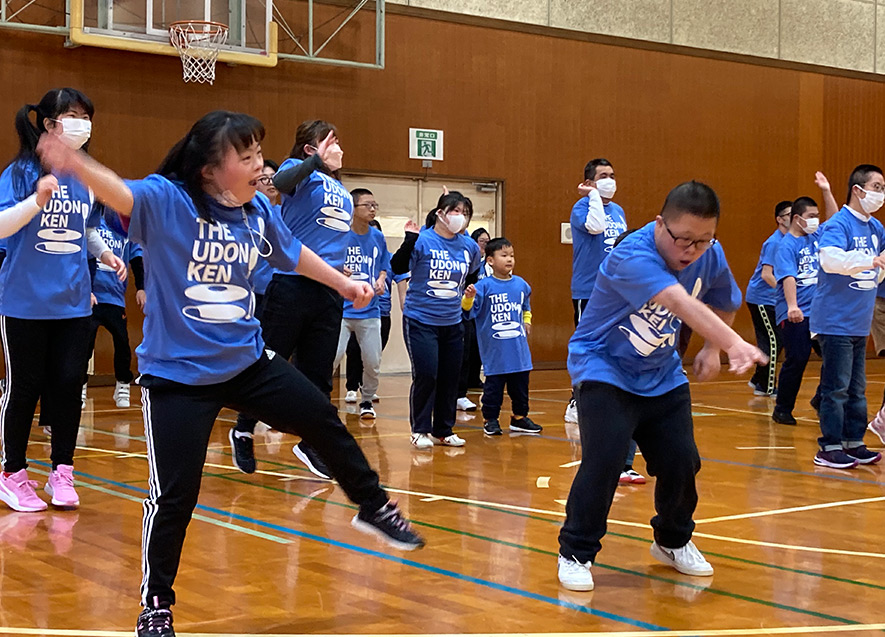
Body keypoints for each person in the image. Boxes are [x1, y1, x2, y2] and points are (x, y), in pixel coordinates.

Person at [36, 110, 425, 637]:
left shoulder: (257, 209)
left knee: (321, 416)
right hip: (177, 377)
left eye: (259, 154)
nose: (260, 166)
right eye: (246, 157)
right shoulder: (169, 200)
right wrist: (74, 162)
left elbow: (292, 253)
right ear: (209, 170)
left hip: (245, 361)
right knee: (174, 496)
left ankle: (372, 505)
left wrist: (342, 283)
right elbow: (122, 193)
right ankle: (156, 605)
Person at [557, 181, 764, 592]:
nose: (692, 250)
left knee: (682, 461)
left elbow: (726, 298)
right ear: (659, 225)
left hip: (661, 373)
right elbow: (680, 302)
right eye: (683, 239)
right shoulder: (631, 256)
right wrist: (733, 343)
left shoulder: (710, 253)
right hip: (604, 368)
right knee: (606, 459)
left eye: (703, 240)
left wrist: (711, 349)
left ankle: (672, 541)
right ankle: (575, 551)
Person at [0, 88, 126, 513]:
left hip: (73, 302)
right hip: (24, 302)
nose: (82, 124)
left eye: (86, 116)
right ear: (49, 123)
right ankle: (12, 473)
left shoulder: (85, 178)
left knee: (70, 386)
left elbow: (85, 229)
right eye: (73, 115)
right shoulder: (19, 173)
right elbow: (1, 227)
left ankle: (62, 470)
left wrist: (104, 254)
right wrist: (36, 201)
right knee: (24, 388)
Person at [232, 120, 349, 480]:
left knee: (319, 374)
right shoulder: (297, 171)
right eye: (330, 142)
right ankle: (243, 428)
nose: (338, 147)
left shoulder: (341, 189)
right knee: (268, 359)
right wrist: (315, 162)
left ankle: (311, 443)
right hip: (292, 285)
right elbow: (280, 183)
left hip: (329, 291)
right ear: (311, 149)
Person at [569, 165, 645, 484]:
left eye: (613, 175)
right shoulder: (581, 207)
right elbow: (596, 227)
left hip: (620, 290)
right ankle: (578, 400)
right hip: (590, 290)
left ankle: (624, 456)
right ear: (589, 182)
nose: (610, 180)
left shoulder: (620, 210)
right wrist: (592, 197)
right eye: (603, 176)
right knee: (592, 352)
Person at [390, 192, 481, 449]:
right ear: (440, 213)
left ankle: (444, 429)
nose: (460, 217)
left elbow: (472, 274)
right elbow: (397, 266)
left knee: (450, 377)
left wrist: (466, 292)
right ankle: (420, 429)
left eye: (465, 213)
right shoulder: (423, 240)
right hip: (421, 319)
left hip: (452, 321)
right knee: (427, 373)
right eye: (456, 211)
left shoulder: (469, 246)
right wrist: (409, 240)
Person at [810, 164, 885, 469]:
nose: (881, 194)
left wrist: (877, 267)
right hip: (834, 320)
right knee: (836, 387)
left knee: (857, 388)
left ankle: (854, 441)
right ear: (858, 190)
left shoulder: (877, 228)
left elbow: (880, 267)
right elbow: (831, 260)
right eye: (877, 187)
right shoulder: (838, 224)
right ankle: (829, 447)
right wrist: (870, 261)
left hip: (859, 321)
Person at [463, 237, 540, 435]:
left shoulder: (521, 284)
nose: (509, 259)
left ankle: (519, 418)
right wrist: (468, 298)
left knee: (520, 387)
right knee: (494, 388)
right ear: (490, 260)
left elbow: (526, 306)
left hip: (518, 350)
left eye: (512, 255)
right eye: (504, 255)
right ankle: (490, 419)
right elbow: (469, 312)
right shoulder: (483, 286)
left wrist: (527, 320)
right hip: (495, 350)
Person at [333, 188, 390, 420]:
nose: (372, 209)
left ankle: (366, 400)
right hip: (341, 310)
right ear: (353, 209)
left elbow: (384, 265)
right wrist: (338, 270)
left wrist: (382, 279)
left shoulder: (377, 237)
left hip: (370, 310)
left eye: (375, 205)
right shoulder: (340, 235)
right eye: (367, 205)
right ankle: (320, 399)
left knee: (372, 361)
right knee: (332, 357)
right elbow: (324, 261)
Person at [87, 203, 144, 408]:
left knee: (122, 343)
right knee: (85, 344)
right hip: (92, 297)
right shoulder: (93, 224)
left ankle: (123, 384)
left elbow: (137, 257)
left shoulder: (124, 229)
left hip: (115, 298)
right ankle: (81, 385)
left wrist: (141, 287)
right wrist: (86, 289)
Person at [771, 197, 822, 425]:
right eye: (812, 217)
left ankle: (821, 398)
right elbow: (788, 277)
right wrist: (793, 306)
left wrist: (826, 191)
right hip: (796, 313)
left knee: (833, 357)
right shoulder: (786, 245)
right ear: (797, 219)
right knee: (797, 358)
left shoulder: (816, 237)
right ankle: (782, 409)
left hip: (820, 312)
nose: (816, 221)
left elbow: (835, 217)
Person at [745, 200, 791, 396]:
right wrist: (786, 293)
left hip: (774, 300)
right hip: (762, 299)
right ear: (780, 219)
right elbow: (766, 274)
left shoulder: (791, 241)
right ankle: (766, 386)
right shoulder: (775, 242)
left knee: (777, 341)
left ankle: (758, 378)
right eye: (789, 214)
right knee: (773, 341)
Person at [456, 227, 491, 411]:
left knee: (472, 349)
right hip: (456, 309)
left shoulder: (486, 265)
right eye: (481, 241)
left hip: (478, 312)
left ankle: (463, 391)